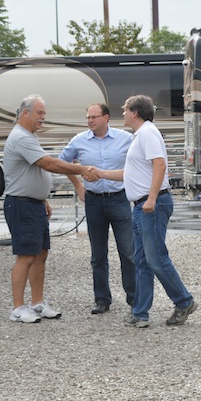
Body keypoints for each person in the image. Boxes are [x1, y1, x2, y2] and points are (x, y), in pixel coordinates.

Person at [100, 95, 197, 328]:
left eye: (124, 110)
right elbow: (130, 174)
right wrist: (100, 173)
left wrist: (152, 198)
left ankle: (184, 301)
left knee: (156, 259)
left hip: (150, 205)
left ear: (135, 112)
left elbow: (160, 164)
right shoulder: (140, 135)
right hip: (141, 206)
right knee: (142, 261)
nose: (122, 114)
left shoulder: (147, 133)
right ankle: (140, 313)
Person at [4, 94, 99, 324]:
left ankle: (37, 303)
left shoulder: (29, 136)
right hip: (21, 205)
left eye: (44, 114)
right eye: (39, 113)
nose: (43, 118)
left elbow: (33, 172)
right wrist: (83, 170)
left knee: (40, 255)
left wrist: (42, 198)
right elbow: (48, 164)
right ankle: (17, 308)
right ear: (25, 112)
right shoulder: (21, 137)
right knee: (25, 256)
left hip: (33, 204)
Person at [59, 103, 135, 315]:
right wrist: (78, 186)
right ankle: (102, 300)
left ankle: (134, 298)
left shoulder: (125, 139)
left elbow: (138, 164)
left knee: (128, 252)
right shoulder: (79, 140)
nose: (90, 120)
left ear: (106, 118)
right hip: (93, 201)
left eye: (94, 117)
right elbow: (62, 163)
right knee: (98, 254)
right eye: (88, 117)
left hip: (119, 199)